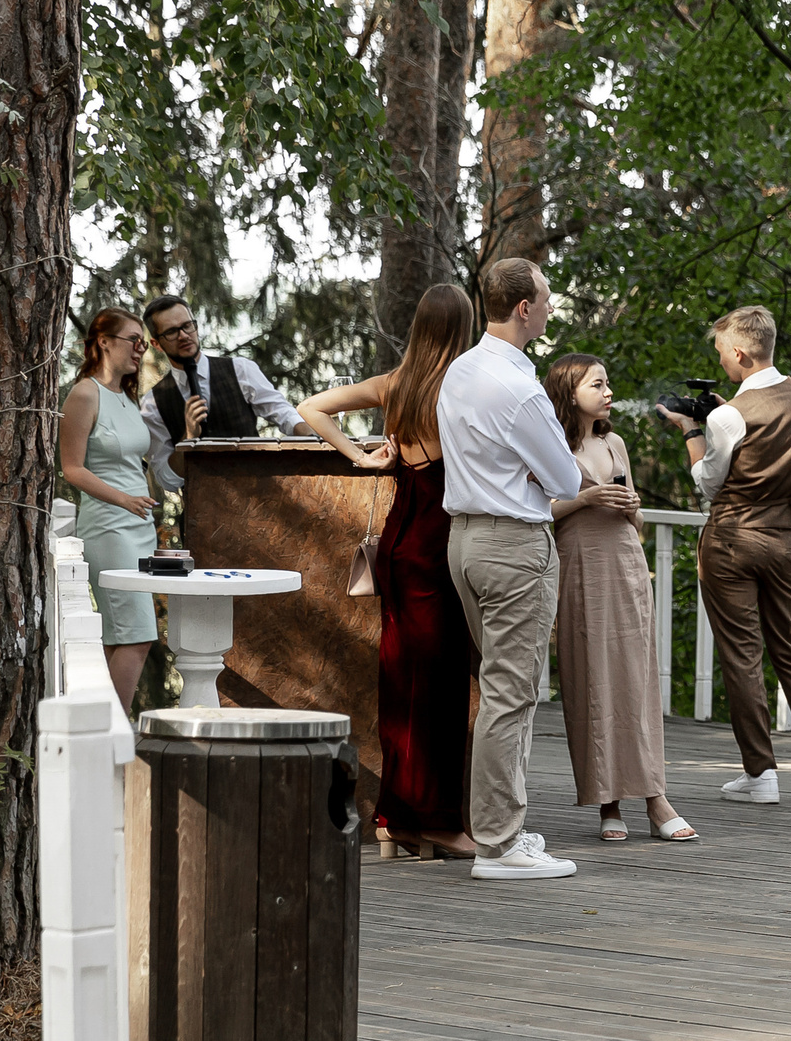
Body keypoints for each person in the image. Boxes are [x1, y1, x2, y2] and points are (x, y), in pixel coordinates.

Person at [298, 284, 480, 861]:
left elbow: (310, 408)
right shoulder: (460, 389)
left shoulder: (394, 385)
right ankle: (438, 823)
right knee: (442, 688)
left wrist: (359, 455)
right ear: (461, 329)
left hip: (402, 540)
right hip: (438, 543)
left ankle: (396, 818)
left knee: (402, 683)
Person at [658, 305, 791, 806]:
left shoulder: (727, 416)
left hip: (732, 541)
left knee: (743, 656)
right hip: (785, 540)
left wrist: (692, 431)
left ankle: (761, 775)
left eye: (721, 352)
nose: (720, 360)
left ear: (739, 352)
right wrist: (724, 417)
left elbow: (708, 483)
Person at [436, 258, 588, 881]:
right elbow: (568, 478)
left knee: (500, 690)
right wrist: (529, 470)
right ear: (524, 308)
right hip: (512, 545)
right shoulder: (521, 389)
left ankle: (505, 828)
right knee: (510, 693)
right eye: (547, 298)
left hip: (464, 541)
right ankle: (499, 843)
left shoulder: (460, 371)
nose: (551, 307)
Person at [546, 355, 695, 843]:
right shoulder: (549, 444)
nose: (608, 391)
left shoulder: (614, 442)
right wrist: (585, 500)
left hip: (625, 563)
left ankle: (656, 798)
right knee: (592, 678)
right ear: (570, 393)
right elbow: (536, 511)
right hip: (580, 565)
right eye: (598, 383)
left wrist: (633, 506)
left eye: (609, 382)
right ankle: (608, 802)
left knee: (637, 679)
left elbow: (640, 522)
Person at [59, 308, 162, 709]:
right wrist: (123, 499)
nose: (141, 348)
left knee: (120, 637)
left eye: (143, 342)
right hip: (109, 526)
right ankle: (115, 731)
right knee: (138, 634)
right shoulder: (85, 393)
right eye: (133, 339)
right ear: (103, 341)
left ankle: (98, 728)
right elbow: (72, 468)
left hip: (139, 527)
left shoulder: (127, 397)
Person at [138, 294, 313, 498]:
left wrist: (312, 437)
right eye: (171, 332)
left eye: (188, 325)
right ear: (156, 344)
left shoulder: (241, 369)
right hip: (201, 520)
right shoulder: (152, 404)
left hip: (261, 508)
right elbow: (168, 480)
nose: (184, 335)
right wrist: (188, 438)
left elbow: (283, 413)